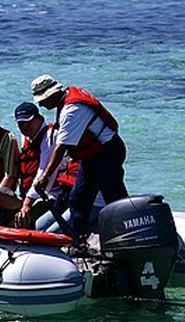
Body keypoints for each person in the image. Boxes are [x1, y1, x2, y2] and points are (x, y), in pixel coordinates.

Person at [30, 74, 129, 241]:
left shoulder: (71, 110)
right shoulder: (68, 98)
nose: (40, 104)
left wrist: (45, 176)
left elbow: (61, 147)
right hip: (92, 156)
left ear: (52, 94)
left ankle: (126, 235)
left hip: (106, 154)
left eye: (42, 99)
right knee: (78, 199)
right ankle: (78, 241)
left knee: (114, 198)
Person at [12, 101, 77, 229]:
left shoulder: (49, 137)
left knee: (31, 224)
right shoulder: (27, 137)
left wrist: (27, 204)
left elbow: (44, 173)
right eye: (21, 123)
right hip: (31, 193)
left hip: (51, 194)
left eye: (28, 122)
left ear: (39, 118)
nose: (25, 127)